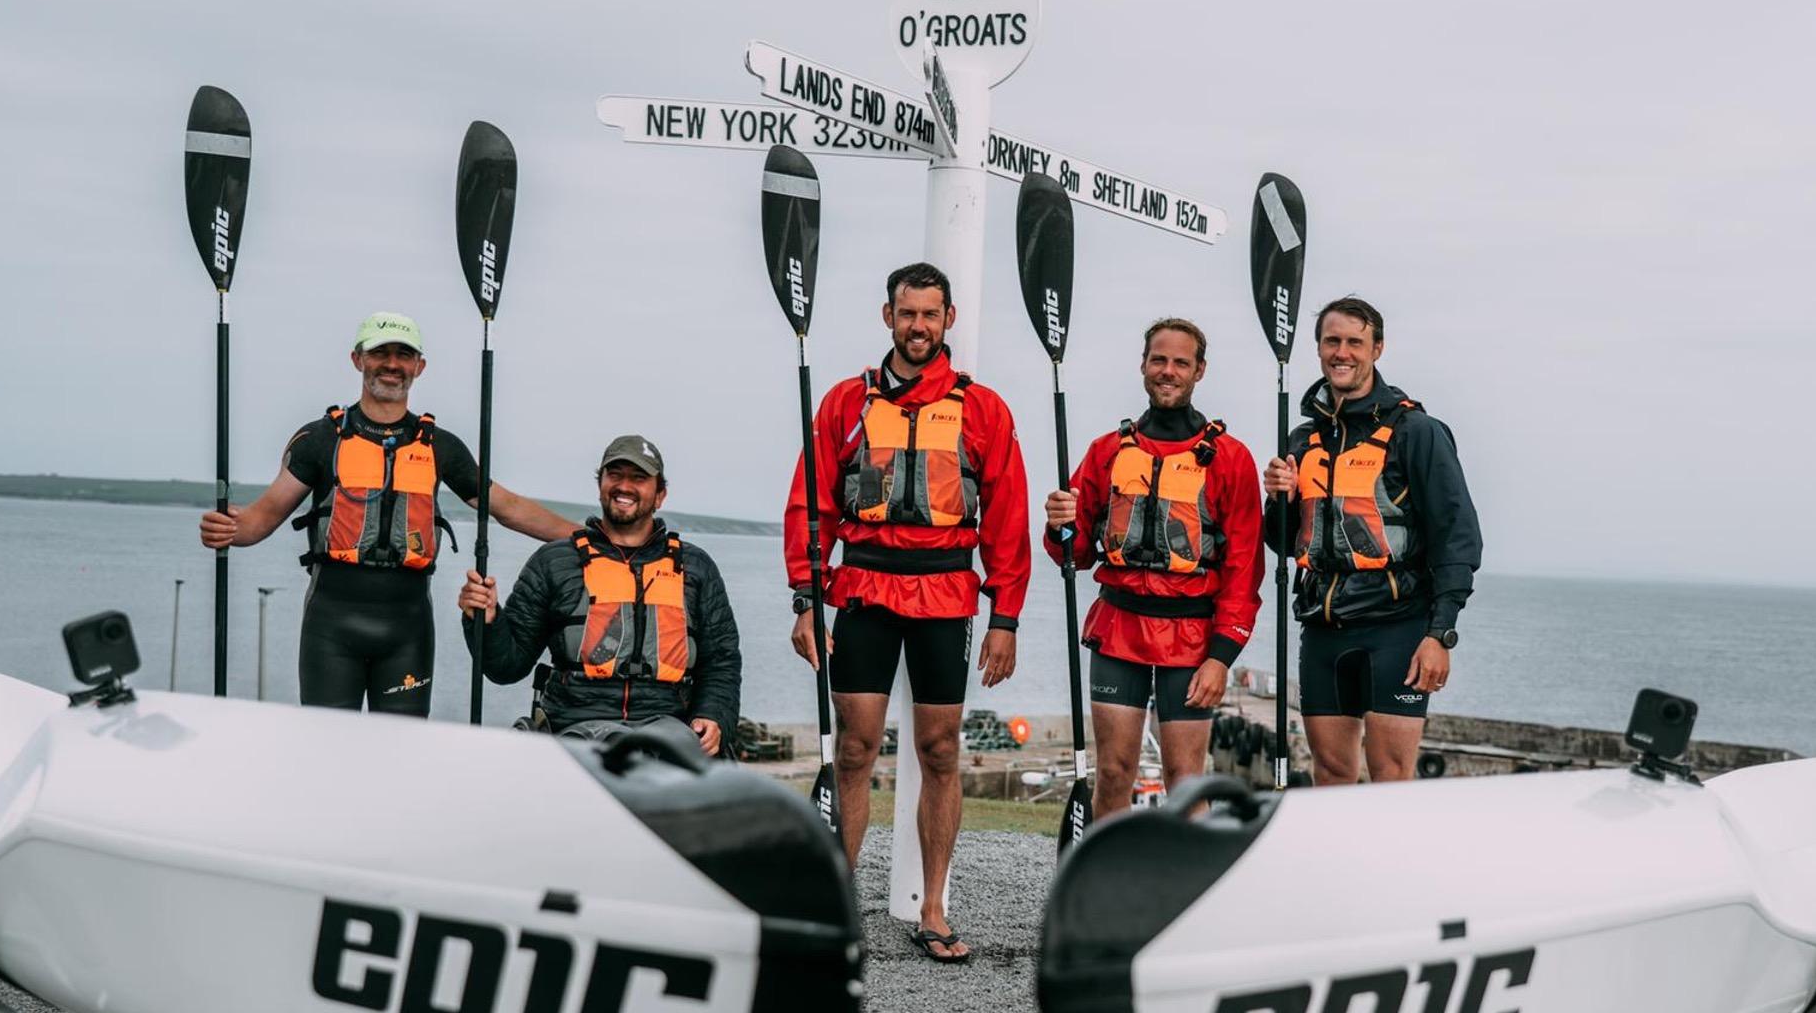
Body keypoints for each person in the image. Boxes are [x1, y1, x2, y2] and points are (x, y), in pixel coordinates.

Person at [785, 261, 1030, 964]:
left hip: (944, 596)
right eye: (906, 313)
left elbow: (1007, 523)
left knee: (941, 751)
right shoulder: (844, 403)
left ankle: (933, 907)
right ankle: (836, 906)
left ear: (948, 319)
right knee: (855, 750)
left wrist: (1005, 616)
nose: (917, 325)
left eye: (929, 313)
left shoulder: (982, 410)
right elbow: (811, 506)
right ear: (887, 316)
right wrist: (807, 597)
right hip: (863, 591)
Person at [198, 311, 576, 716]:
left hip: (408, 631)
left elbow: (508, 508)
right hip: (330, 628)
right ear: (357, 359)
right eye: (380, 353)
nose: (392, 364)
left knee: (403, 755)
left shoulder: (440, 447)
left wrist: (587, 536)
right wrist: (227, 531)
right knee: (328, 746)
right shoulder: (320, 440)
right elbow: (262, 518)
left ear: (419, 367)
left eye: (403, 355)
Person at [1044, 318, 1265, 818]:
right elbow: (1072, 554)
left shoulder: (1230, 460)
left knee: (1185, 780)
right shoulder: (1107, 452)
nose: (1168, 371)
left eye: (1180, 362)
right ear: (1143, 365)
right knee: (1115, 772)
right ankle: (1107, 889)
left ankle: (1188, 891)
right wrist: (1059, 523)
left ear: (1199, 371)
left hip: (1190, 637)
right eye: (1159, 360)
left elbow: (1244, 570)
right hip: (1119, 630)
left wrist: (1221, 656)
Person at [1262, 296, 1482, 784]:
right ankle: (1336, 863)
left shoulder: (1416, 432)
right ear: (1318, 349)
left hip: (1397, 629)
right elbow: (1284, 542)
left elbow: (1457, 537)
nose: (1342, 352)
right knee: (1331, 771)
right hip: (1322, 630)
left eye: (1354, 342)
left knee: (1391, 776)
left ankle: (1392, 862)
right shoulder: (1302, 439)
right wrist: (1278, 499)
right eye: (1331, 341)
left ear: (1377, 349)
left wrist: (1439, 634)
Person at [455, 435, 740, 756]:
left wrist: (714, 715)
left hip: (668, 722)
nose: (624, 486)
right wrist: (487, 619)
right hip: (575, 722)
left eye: (639, 478)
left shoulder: (695, 567)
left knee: (666, 756)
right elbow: (505, 666)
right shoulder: (554, 563)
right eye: (614, 475)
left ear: (660, 495)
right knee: (615, 753)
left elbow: (722, 661)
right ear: (601, 484)